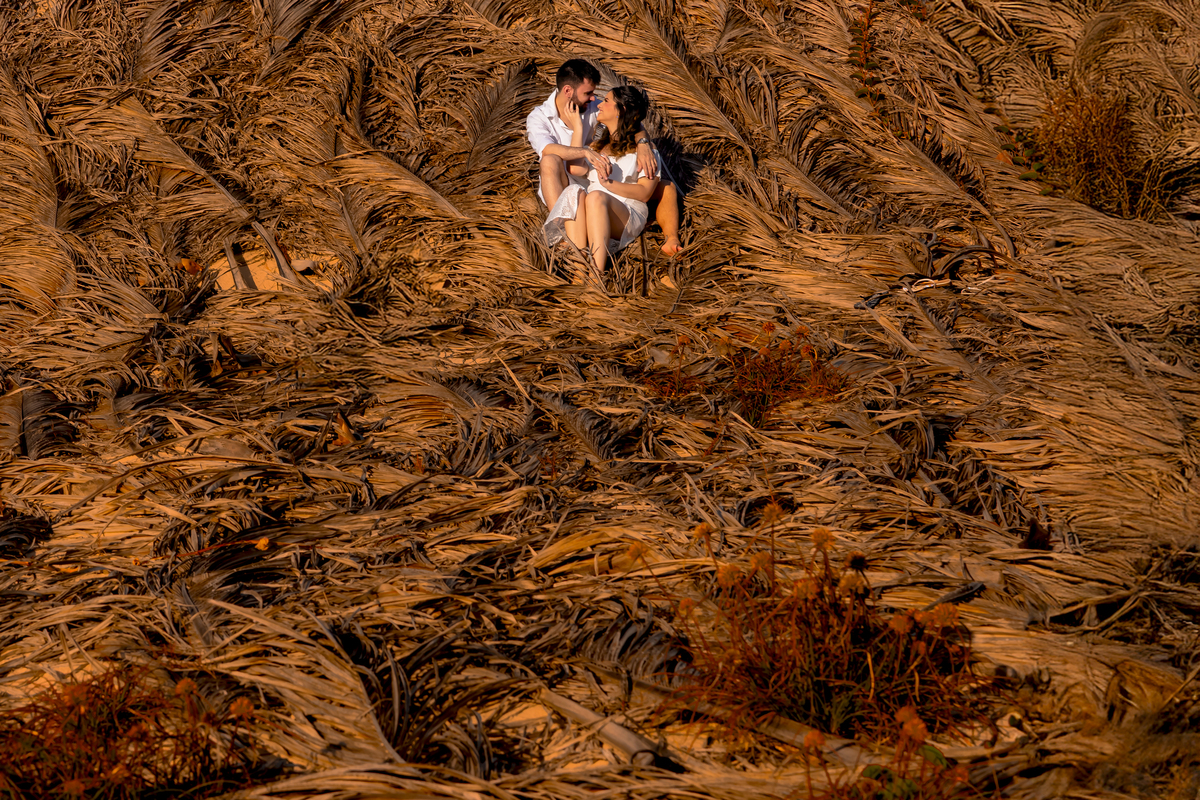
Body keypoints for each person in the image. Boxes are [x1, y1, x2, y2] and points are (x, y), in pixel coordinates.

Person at [526, 59, 683, 259]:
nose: (594, 99)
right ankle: (564, 229)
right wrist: (584, 151)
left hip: (595, 177)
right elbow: (548, 149)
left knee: (665, 186)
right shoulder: (539, 117)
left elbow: (628, 118)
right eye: (588, 93)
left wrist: (643, 142)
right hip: (567, 182)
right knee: (550, 160)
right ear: (568, 91)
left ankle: (671, 237)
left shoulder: (593, 108)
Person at [543, 86, 660, 286]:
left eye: (606, 100)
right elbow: (575, 169)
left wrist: (609, 184)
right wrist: (578, 127)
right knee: (574, 190)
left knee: (596, 195)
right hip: (594, 208)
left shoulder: (646, 151)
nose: (599, 104)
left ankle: (596, 275)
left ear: (621, 110)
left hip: (626, 212)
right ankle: (580, 268)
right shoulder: (596, 146)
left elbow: (645, 193)